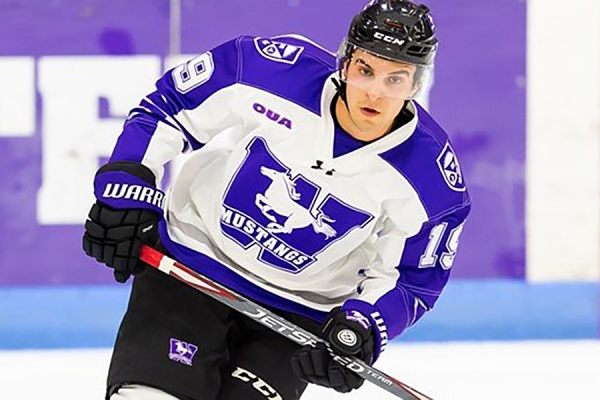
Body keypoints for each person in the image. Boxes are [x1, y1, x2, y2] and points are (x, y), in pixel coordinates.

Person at [83, 1, 471, 399]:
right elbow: (169, 108)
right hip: (192, 267)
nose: (374, 91)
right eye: (366, 70)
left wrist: (365, 324)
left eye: (395, 79)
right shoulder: (270, 69)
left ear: (416, 84)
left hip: (292, 319)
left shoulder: (434, 181)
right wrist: (126, 187)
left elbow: (412, 281)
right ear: (345, 62)